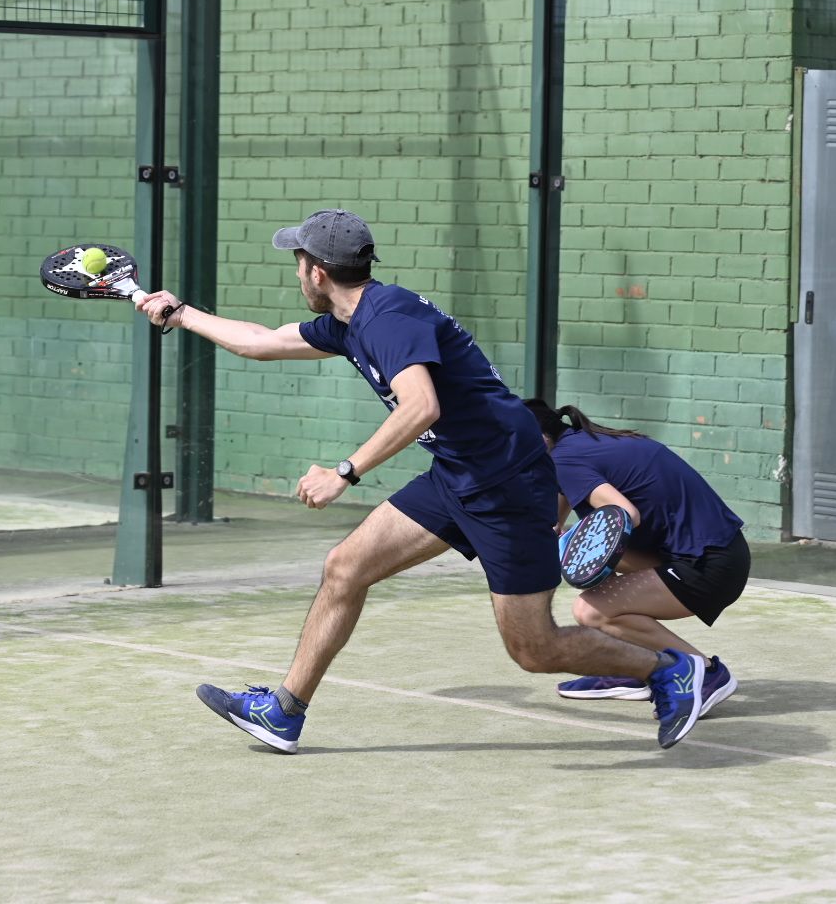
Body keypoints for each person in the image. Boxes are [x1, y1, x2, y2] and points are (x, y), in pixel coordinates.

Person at [134, 209, 707, 753]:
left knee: (534, 649)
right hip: (458, 473)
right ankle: (283, 711)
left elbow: (421, 406)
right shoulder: (348, 322)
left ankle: (671, 670)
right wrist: (180, 313)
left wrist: (344, 472)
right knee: (345, 567)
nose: (297, 271)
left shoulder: (388, 320)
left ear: (317, 272)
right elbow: (261, 342)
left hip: (508, 485)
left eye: (298, 260)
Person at [524, 399, 749, 716]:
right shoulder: (578, 444)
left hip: (709, 566)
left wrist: (571, 544)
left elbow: (625, 514)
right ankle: (634, 668)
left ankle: (704, 673)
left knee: (591, 611)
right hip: (719, 553)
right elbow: (557, 512)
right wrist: (554, 530)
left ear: (540, 440)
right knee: (587, 562)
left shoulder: (565, 460)